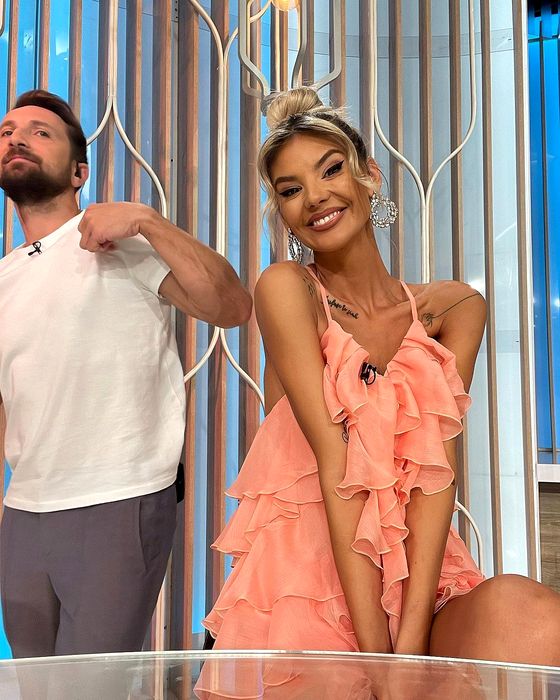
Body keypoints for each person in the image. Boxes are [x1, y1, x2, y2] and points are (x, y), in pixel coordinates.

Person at [197, 88, 560, 691]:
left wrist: (409, 648)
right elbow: (338, 466)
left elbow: (436, 475)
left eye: (330, 170)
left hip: (418, 577)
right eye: (290, 189)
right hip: (310, 581)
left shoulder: (454, 309)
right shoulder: (287, 288)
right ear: (281, 212)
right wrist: (380, 664)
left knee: (531, 620)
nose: (315, 197)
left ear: (369, 175)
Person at [0, 89, 252, 658]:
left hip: (118, 494)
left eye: (40, 132)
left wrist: (146, 220)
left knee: (89, 689)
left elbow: (231, 307)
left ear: (79, 173)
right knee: (37, 687)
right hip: (24, 511)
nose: (17, 138)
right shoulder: (5, 278)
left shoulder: (120, 243)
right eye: (7, 131)